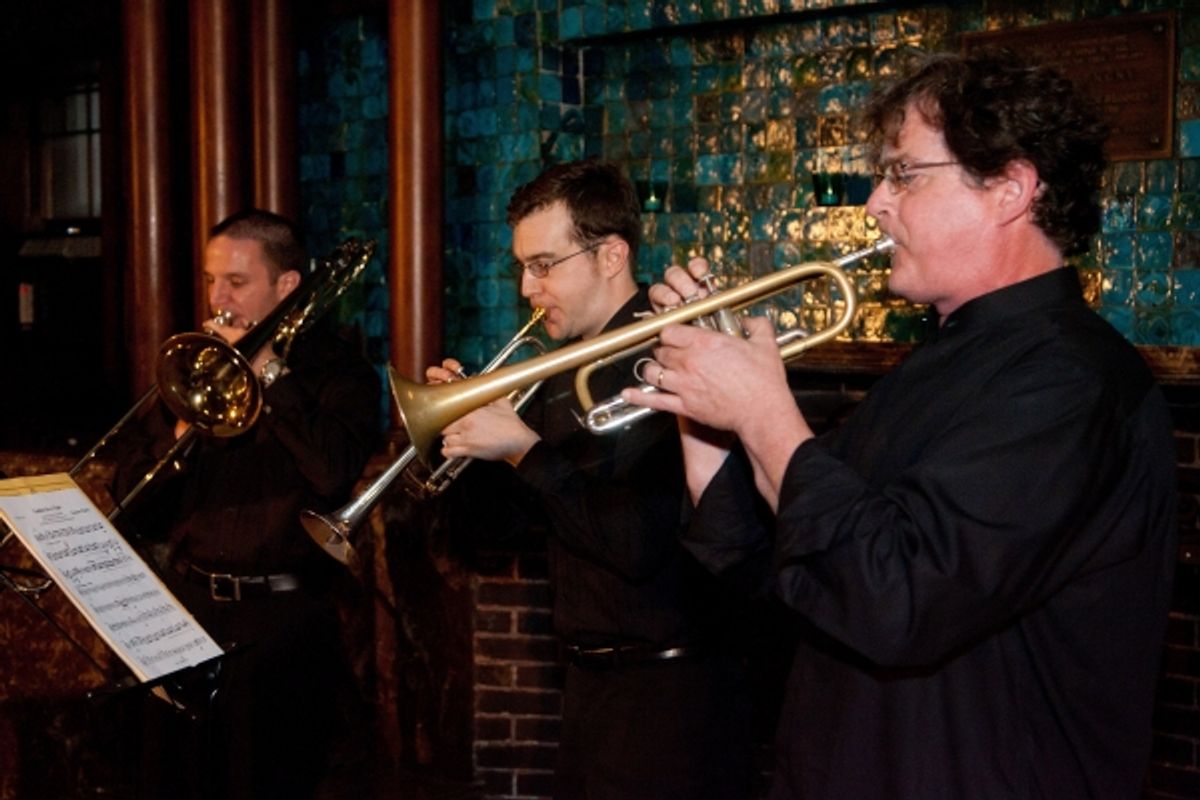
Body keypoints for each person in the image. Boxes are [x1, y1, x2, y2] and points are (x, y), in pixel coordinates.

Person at [623, 50, 1178, 798]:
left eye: (904, 174)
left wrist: (763, 410)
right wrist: (704, 422)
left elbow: (898, 598)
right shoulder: (940, 362)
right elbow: (797, 571)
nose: (876, 204)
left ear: (1009, 190)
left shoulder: (1072, 381)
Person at [430, 159, 754, 799]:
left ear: (611, 255)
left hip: (671, 701)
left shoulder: (674, 357)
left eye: (543, 265)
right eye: (522, 267)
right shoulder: (560, 373)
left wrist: (525, 451)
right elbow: (498, 531)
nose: (528, 288)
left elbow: (636, 543)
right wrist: (463, 444)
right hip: (589, 690)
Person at [114, 209, 381, 800]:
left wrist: (269, 374)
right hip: (185, 611)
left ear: (287, 285)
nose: (217, 299)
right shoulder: (196, 368)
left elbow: (332, 471)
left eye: (236, 282)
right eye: (212, 281)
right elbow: (132, 502)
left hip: (281, 626)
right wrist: (181, 430)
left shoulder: (340, 373)